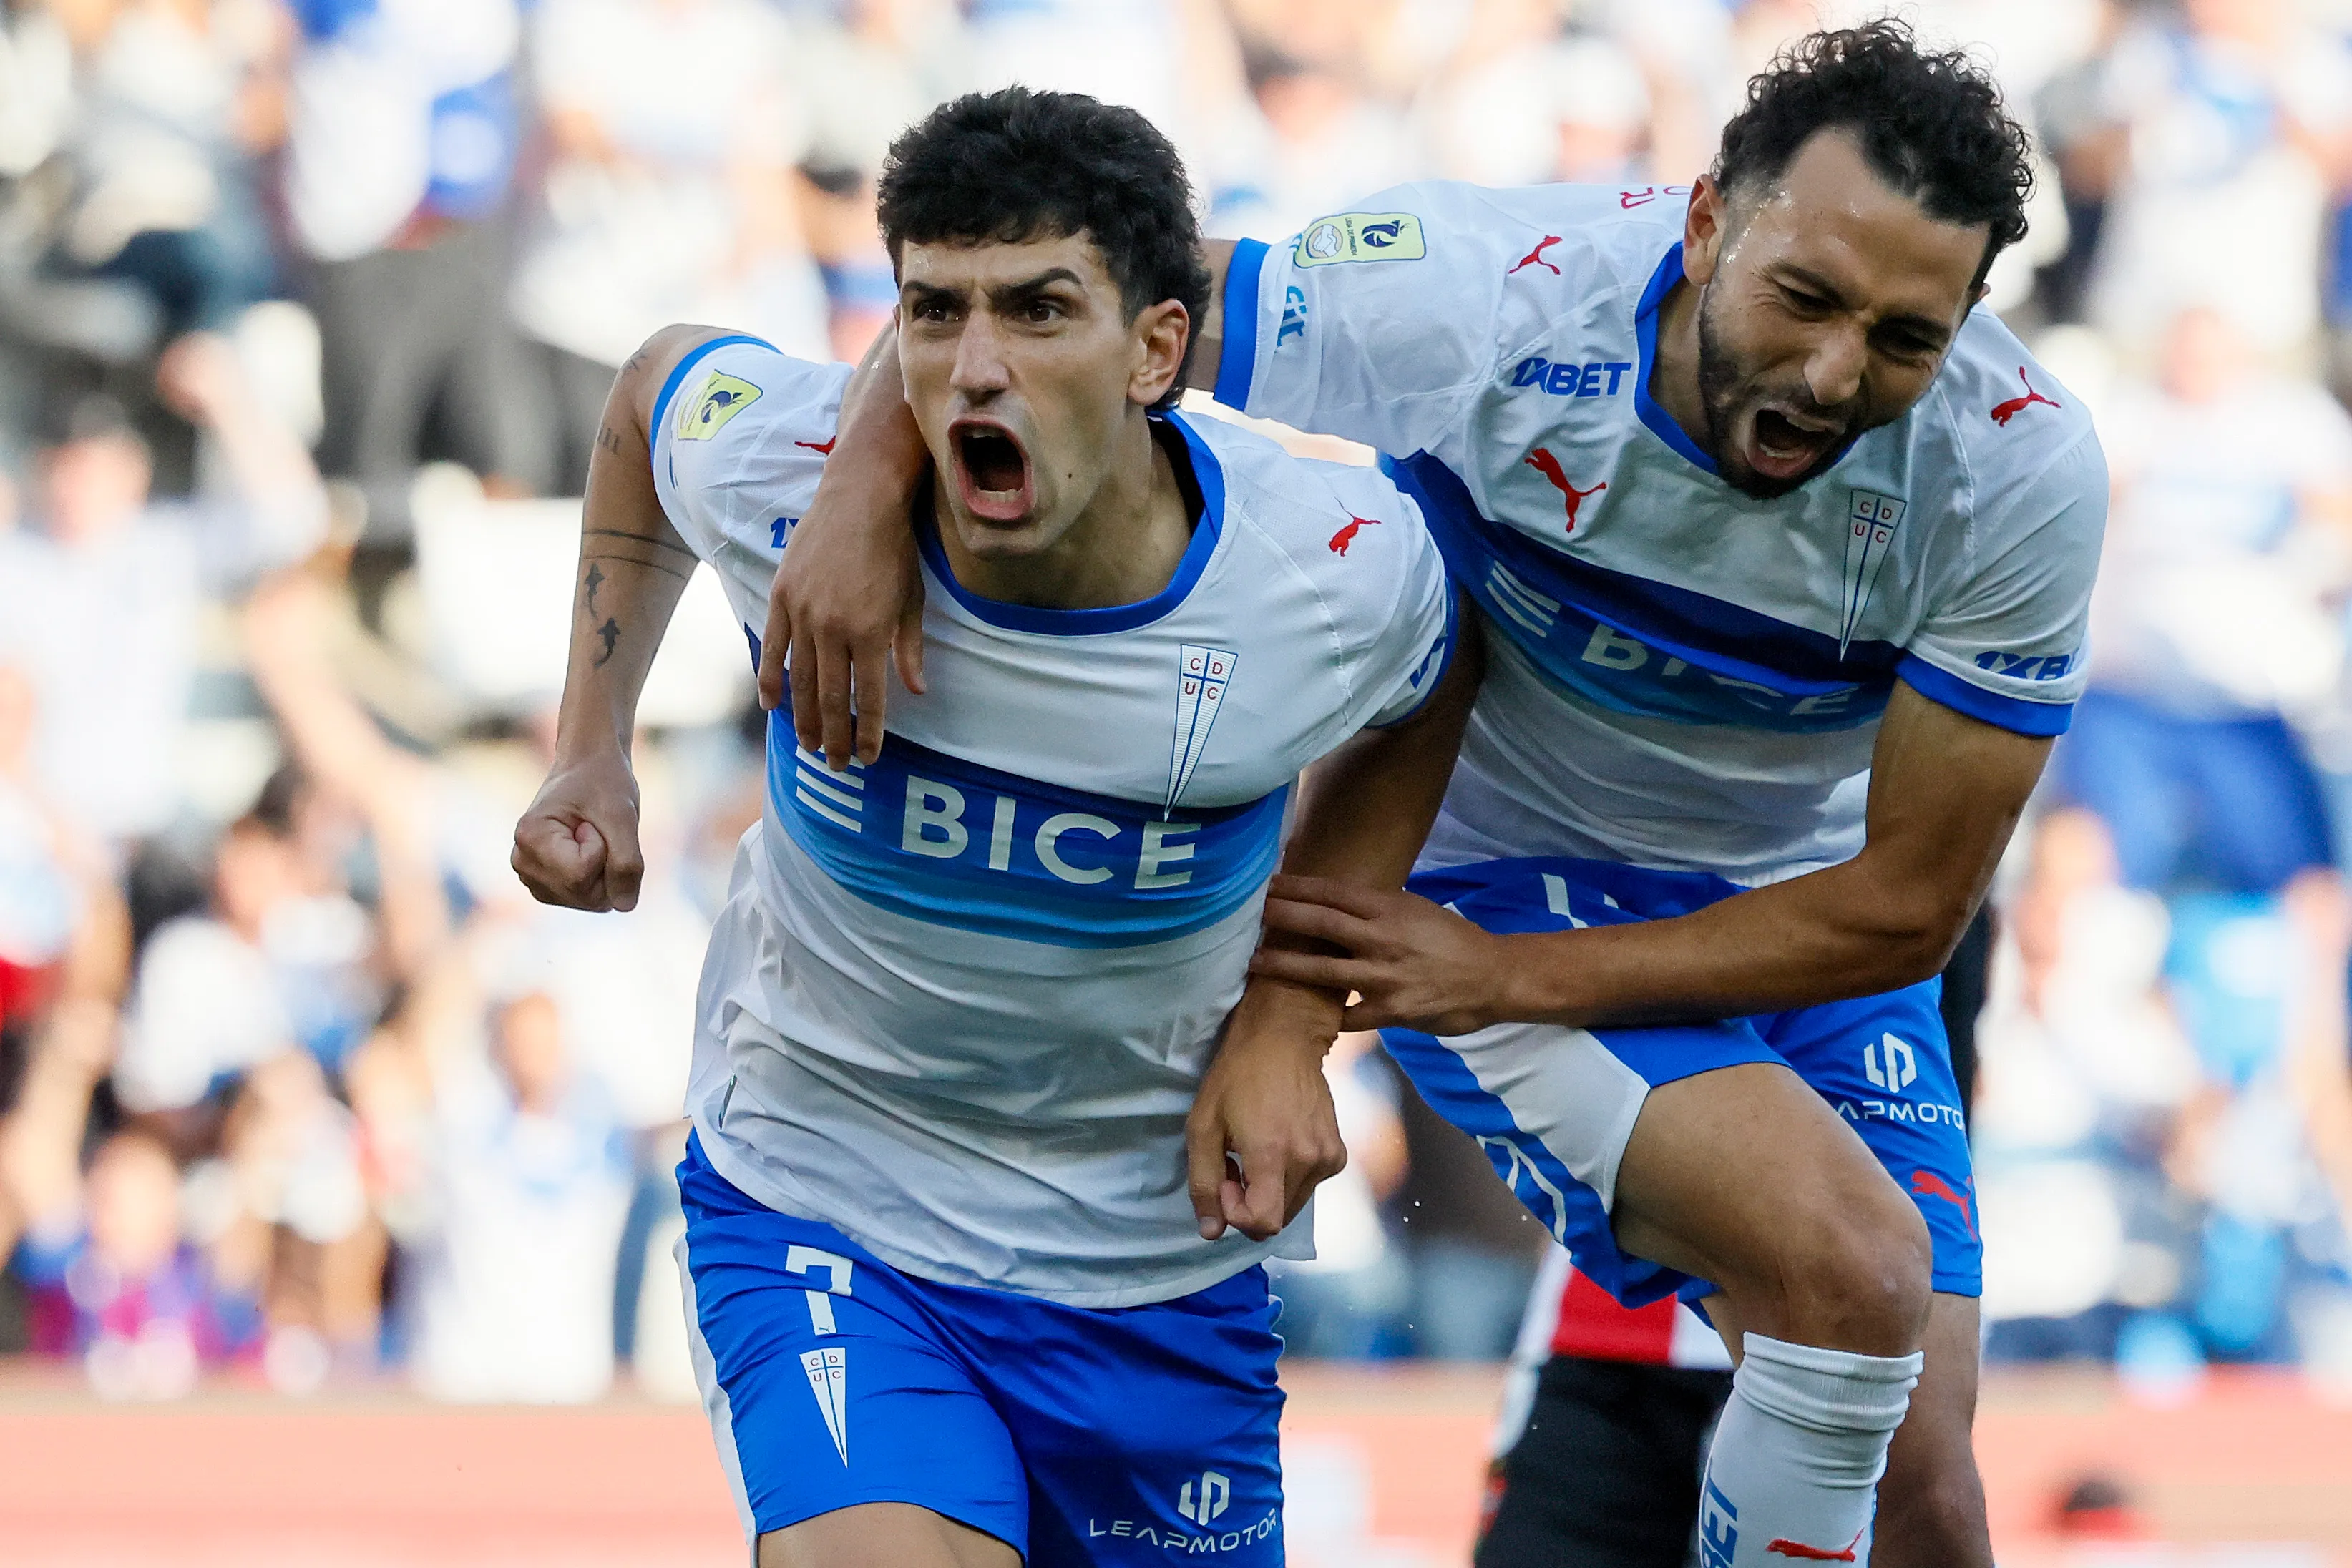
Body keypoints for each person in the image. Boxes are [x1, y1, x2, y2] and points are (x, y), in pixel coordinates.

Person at [773, 24, 2107, 1568]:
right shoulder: (1482, 293)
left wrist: (1514, 985)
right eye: (1798, 297)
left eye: (1899, 338)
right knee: (1851, 1271)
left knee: (1924, 1483)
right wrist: (863, 489)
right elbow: (1038, 291)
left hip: (1780, 928)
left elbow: (1901, 910)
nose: (1827, 372)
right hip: (1472, 876)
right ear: (1698, 223)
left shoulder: (2015, 473)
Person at [509, 87, 1471, 1567]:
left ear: (1159, 347)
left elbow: (1432, 672)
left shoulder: (1321, 575)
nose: (972, 369)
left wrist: (1289, 1015)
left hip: (1152, 1258)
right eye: (933, 313)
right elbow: (649, 394)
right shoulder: (790, 488)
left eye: (1036, 311)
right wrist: (591, 751)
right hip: (826, 1199)